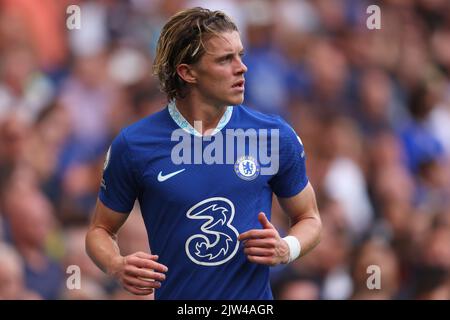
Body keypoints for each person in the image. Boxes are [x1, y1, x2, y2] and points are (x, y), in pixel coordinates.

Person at [86, 7, 321, 300]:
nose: (242, 67)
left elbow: (309, 218)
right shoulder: (135, 145)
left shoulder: (273, 136)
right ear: (187, 72)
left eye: (240, 55)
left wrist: (288, 248)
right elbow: (100, 230)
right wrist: (115, 265)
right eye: (225, 59)